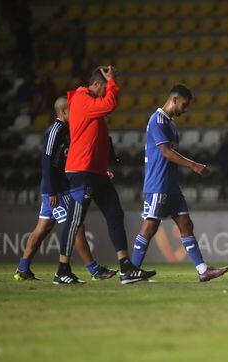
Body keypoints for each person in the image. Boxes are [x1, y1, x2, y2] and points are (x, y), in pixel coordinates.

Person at [56, 65, 155, 284]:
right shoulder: (82, 99)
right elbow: (109, 104)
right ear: (98, 84)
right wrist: (113, 83)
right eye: (105, 86)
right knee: (75, 221)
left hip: (96, 171)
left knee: (115, 213)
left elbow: (95, 138)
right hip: (82, 171)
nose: (107, 90)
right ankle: (62, 270)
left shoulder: (90, 102)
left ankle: (126, 266)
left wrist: (103, 165)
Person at [130, 84, 228, 282]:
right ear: (174, 99)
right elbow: (165, 152)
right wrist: (193, 166)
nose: (186, 108)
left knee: (186, 224)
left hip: (171, 184)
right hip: (158, 184)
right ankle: (131, 270)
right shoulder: (157, 120)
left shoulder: (171, 124)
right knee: (149, 227)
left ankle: (203, 270)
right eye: (185, 104)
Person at [14, 96, 116, 282]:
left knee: (44, 228)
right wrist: (51, 190)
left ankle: (22, 268)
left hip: (61, 187)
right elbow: (46, 162)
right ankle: (94, 270)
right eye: (73, 110)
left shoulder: (69, 130)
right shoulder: (55, 132)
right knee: (76, 227)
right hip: (57, 190)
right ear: (63, 112)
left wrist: (98, 173)